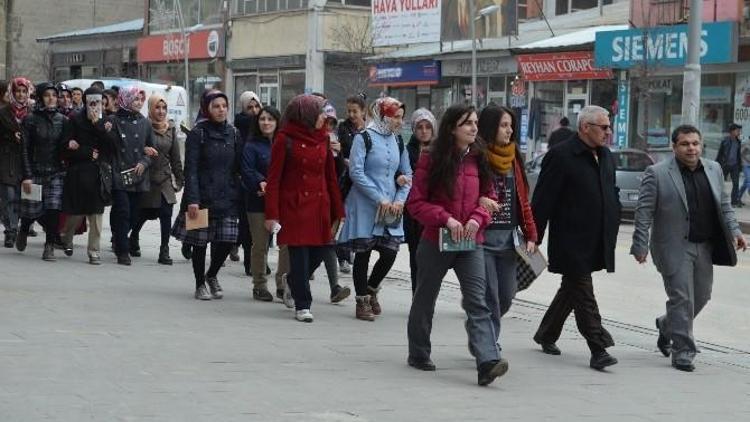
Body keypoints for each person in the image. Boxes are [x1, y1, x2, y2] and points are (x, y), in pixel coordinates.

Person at [406, 103, 509, 386]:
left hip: (470, 242)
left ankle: (487, 361)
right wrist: (446, 219)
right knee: (425, 298)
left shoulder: (480, 158)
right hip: (436, 240)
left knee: (478, 301)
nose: (474, 128)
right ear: (452, 128)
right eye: (467, 123)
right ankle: (418, 353)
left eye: (475, 123)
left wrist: (477, 219)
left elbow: (488, 199)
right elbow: (415, 204)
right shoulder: (431, 158)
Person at [631, 125, 747, 372]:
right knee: (682, 299)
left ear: (701, 145)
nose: (691, 148)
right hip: (673, 246)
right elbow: (644, 213)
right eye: (685, 144)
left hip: (704, 246)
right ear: (674, 147)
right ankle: (683, 350)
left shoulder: (714, 169)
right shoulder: (657, 173)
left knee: (701, 297)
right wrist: (639, 244)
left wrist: (736, 231)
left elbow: (724, 206)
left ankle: (665, 325)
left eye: (695, 143)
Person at [530, 105, 621, 371]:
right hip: (570, 239)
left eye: (609, 126)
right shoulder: (560, 156)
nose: (608, 132)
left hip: (597, 237)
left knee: (572, 289)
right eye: (603, 127)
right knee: (583, 290)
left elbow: (610, 192)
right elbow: (543, 200)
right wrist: (534, 236)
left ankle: (547, 333)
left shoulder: (606, 156)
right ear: (585, 127)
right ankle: (598, 347)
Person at [264, 94, 345, 323]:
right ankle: (303, 304)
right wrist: (272, 214)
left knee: (320, 252)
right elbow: (274, 180)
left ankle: (292, 282)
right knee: (299, 256)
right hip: (295, 205)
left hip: (320, 205)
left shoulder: (324, 139)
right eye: (320, 112)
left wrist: (339, 210)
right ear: (306, 114)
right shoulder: (284, 139)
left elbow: (330, 178)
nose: (324, 117)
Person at [338, 97, 411, 321]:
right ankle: (361, 302)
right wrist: (378, 197)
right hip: (365, 204)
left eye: (401, 117)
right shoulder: (365, 137)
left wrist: (400, 199)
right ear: (383, 115)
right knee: (363, 253)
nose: (400, 122)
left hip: (390, 207)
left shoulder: (398, 141)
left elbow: (407, 174)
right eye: (395, 117)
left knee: (390, 252)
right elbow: (356, 172)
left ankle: (371, 290)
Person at [476, 104, 537, 348]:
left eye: (511, 125)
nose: (509, 130)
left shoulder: (514, 159)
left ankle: (480, 331)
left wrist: (531, 233)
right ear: (491, 127)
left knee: (506, 296)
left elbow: (523, 200)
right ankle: (488, 344)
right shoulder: (476, 158)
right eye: (503, 125)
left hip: (509, 242)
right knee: (490, 297)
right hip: (482, 240)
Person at [172, 90, 242, 300]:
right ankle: (199, 283)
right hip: (201, 197)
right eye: (216, 106)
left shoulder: (234, 133)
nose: (221, 110)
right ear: (207, 109)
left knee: (228, 239)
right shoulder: (198, 133)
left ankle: (212, 275)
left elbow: (238, 166)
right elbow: (190, 168)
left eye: (224, 106)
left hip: (227, 196)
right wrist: (193, 199)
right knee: (199, 243)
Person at [16, 83, 70, 261]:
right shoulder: (30, 119)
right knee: (31, 212)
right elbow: (24, 149)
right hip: (35, 171)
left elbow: (65, 146)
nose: (51, 98)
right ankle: (23, 229)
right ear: (40, 98)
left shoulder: (63, 120)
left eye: (54, 95)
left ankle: (49, 247)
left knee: (53, 208)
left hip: (56, 172)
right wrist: (27, 176)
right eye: (47, 95)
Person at [60, 87, 113, 265]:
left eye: (98, 102)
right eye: (91, 102)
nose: (95, 105)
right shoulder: (74, 119)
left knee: (97, 215)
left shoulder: (105, 121)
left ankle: (94, 251)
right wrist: (86, 152)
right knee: (76, 213)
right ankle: (66, 238)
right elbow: (66, 147)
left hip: (98, 174)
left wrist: (99, 126)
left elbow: (112, 146)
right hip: (79, 173)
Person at [130, 94, 184, 265]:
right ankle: (134, 236)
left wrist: (180, 179)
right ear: (151, 109)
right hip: (146, 178)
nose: (161, 111)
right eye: (157, 108)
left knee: (166, 213)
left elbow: (175, 157)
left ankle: (164, 250)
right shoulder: (143, 126)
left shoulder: (171, 129)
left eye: (164, 108)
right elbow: (133, 150)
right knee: (144, 213)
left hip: (164, 179)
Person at [240, 105, 284, 301]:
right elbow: (247, 171)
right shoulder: (251, 145)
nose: (266, 123)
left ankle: (283, 284)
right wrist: (261, 181)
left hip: (283, 202)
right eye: (262, 119)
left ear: (277, 122)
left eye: (270, 119)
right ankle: (259, 284)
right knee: (260, 245)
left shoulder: (284, 144)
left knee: (287, 244)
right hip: (258, 202)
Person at [108, 86, 154, 265]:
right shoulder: (113, 120)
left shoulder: (145, 123)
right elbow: (108, 146)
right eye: (135, 99)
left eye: (141, 100)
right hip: (119, 174)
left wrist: (144, 162)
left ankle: (118, 237)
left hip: (138, 177)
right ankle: (122, 250)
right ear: (125, 99)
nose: (139, 103)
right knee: (123, 211)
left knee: (135, 214)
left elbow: (152, 150)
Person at [404, 108, 436, 293]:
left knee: (433, 258)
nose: (424, 131)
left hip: (435, 211)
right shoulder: (407, 152)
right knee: (415, 256)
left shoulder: (440, 151)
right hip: (413, 214)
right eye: (420, 127)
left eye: (428, 127)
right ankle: (417, 294)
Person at [335, 93, 368, 274]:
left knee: (358, 218)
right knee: (345, 217)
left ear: (363, 111)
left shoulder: (370, 129)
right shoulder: (344, 127)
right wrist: (346, 160)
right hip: (347, 178)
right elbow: (342, 151)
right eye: (349, 111)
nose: (352, 115)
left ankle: (353, 249)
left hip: (364, 179)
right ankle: (343, 255)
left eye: (355, 111)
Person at [232, 91, 263, 270]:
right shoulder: (238, 128)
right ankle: (249, 260)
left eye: (256, 106)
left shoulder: (264, 126)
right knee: (246, 221)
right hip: (243, 180)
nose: (253, 110)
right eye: (249, 107)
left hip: (262, 180)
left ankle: (258, 259)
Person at [0, 78, 31, 248]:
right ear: (12, 93)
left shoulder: (32, 112)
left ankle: (15, 227)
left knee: (19, 198)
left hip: (25, 161)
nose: (20, 94)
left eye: (23, 91)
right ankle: (10, 231)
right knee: (9, 196)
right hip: (6, 160)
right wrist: (10, 136)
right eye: (18, 91)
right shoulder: (3, 112)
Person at [716, 123, 743, 207]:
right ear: (732, 131)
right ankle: (717, 199)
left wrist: (740, 166)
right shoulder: (725, 141)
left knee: (736, 184)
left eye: (739, 130)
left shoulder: (738, 142)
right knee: (719, 183)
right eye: (737, 130)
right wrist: (717, 164)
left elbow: (739, 155)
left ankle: (734, 202)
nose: (738, 132)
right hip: (725, 165)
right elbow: (720, 154)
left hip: (735, 165)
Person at [739, 139, 750, 204]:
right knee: (749, 180)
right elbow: (740, 153)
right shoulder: (746, 143)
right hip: (746, 164)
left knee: (746, 183)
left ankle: (738, 197)